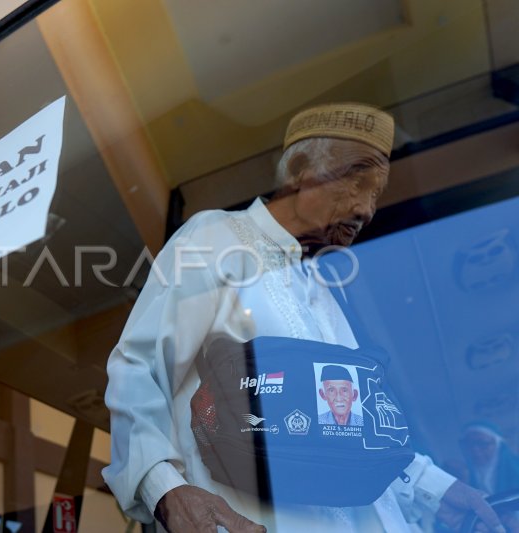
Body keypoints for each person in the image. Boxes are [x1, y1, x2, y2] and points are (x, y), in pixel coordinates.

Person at [102, 102, 512, 532]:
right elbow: (139, 368)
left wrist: (436, 487)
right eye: (358, 183)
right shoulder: (215, 237)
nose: (367, 209)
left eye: (376, 193)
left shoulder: (321, 288)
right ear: (300, 169)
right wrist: (165, 489)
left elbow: (360, 423)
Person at [460, 423, 519, 495]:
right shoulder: (461, 472)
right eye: (469, 444)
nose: (475, 450)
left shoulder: (516, 467)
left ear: (497, 445)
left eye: (482, 443)